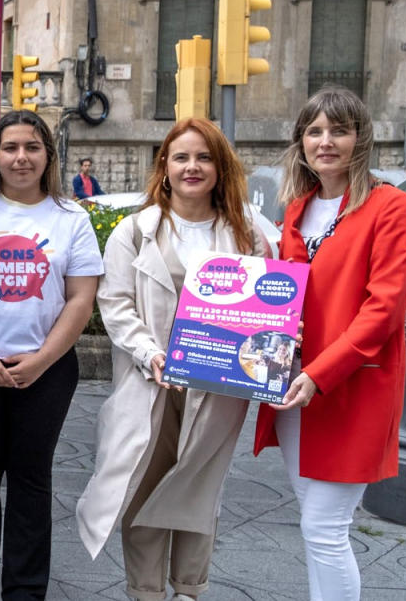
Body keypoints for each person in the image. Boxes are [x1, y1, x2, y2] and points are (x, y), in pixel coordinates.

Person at [76, 117, 270, 601]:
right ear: (164, 165)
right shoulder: (133, 231)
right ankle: (145, 592)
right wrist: (150, 354)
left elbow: (268, 309)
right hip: (151, 380)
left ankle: (189, 590)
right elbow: (115, 304)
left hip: (218, 386)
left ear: (220, 168)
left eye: (204, 157)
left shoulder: (247, 234)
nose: (192, 167)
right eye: (181, 157)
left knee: (199, 487)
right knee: (143, 482)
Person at [252, 86, 406, 601]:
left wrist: (318, 374)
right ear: (301, 141)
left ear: (360, 139)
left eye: (339, 131)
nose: (325, 141)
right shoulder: (296, 209)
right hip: (293, 387)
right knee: (316, 523)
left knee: (325, 528)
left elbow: (383, 310)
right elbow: (288, 296)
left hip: (349, 388)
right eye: (315, 131)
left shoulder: (391, 206)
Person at [0, 110, 101, 601]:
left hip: (47, 370)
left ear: (48, 155)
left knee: (31, 477)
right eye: (11, 147)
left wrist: (42, 360)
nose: (21, 157)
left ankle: (25, 590)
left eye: (32, 147)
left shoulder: (71, 218)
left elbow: (81, 299)